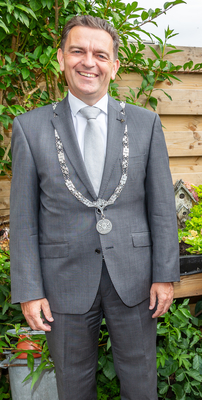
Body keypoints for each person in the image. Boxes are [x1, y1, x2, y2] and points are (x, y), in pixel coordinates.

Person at [10, 15, 179, 399]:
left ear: (114, 65)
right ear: (61, 59)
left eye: (100, 54)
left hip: (136, 281)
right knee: (73, 387)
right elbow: (23, 219)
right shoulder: (29, 128)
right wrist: (29, 289)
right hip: (62, 282)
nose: (89, 62)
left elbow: (161, 207)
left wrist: (165, 274)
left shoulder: (145, 124)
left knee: (141, 384)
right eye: (78, 51)